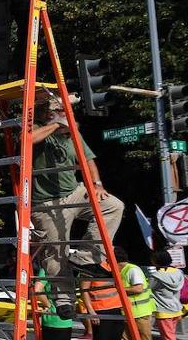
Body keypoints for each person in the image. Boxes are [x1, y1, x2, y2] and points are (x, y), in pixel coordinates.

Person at [29, 93, 123, 319]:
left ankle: (85, 257)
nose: (64, 117)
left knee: (113, 206)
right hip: (47, 201)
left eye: (64, 113)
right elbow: (29, 140)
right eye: (58, 112)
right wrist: (55, 125)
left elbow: (87, 159)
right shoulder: (38, 129)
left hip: (74, 193)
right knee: (56, 249)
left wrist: (97, 184)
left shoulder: (72, 134)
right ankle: (64, 299)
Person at [112, 247, 161, 340]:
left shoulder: (132, 269)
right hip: (126, 313)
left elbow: (138, 288)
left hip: (140, 312)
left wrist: (118, 290)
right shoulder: (120, 271)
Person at [81, 263, 123, 340]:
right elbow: (84, 290)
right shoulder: (91, 267)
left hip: (116, 309)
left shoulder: (113, 266)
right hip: (100, 310)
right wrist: (91, 311)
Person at [148, 250, 186, 340]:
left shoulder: (156, 276)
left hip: (164, 311)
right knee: (172, 337)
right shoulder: (178, 272)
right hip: (176, 308)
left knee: (169, 339)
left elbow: (147, 288)